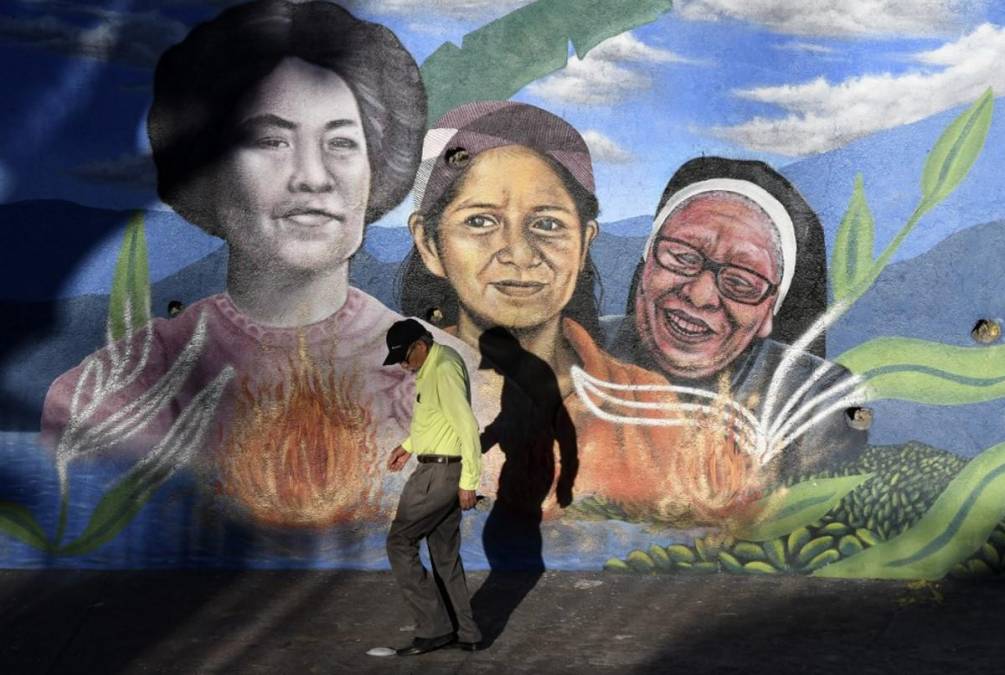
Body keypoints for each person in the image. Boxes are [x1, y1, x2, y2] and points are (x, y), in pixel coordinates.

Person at [39, 0, 465, 528]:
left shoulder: (458, 373)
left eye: (341, 142)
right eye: (271, 140)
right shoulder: (108, 394)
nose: (312, 176)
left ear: (377, 169)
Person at [397, 101, 744, 524]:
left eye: (548, 224)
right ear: (429, 243)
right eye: (481, 221)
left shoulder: (646, 407)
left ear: (584, 244)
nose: (520, 254)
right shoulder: (387, 394)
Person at [610, 156, 867, 478]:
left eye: (741, 282)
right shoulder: (566, 352)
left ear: (768, 313)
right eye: (682, 257)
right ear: (647, 264)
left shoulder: (817, 399)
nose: (700, 295)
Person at [382, 318, 482, 655]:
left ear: (420, 346)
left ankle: (434, 628)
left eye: (403, 356)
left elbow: (466, 426)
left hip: (437, 476)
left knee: (399, 542)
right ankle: (466, 632)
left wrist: (469, 482)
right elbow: (437, 420)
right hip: (439, 467)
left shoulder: (442, 369)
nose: (401, 364)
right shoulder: (436, 366)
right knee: (444, 554)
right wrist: (409, 445)